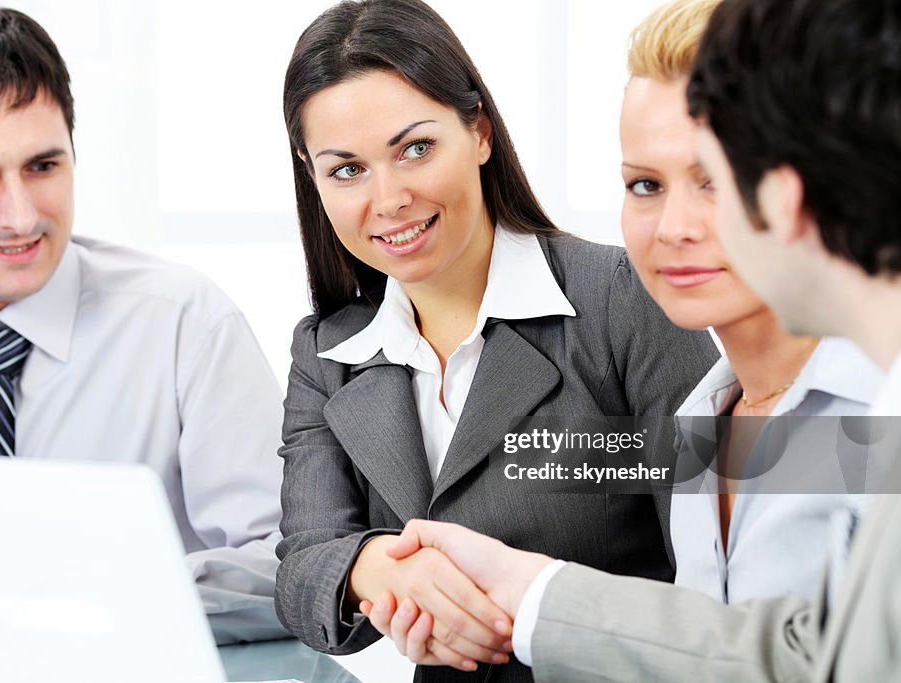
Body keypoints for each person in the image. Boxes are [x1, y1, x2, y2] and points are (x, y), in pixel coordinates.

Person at [370, 0, 901, 680]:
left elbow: (802, 660)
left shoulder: (870, 411)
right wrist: (486, 601)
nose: (674, 226)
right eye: (644, 185)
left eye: (714, 180)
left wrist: (532, 596)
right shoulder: (702, 417)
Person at [274, 0, 718, 680]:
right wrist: (375, 566)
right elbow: (303, 568)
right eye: (347, 169)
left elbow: (715, 568)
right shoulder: (329, 352)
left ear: (479, 132)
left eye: (414, 148)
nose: (388, 198)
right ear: (314, 179)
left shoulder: (624, 298)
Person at [0, 4, 286, 654]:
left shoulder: (185, 325)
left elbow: (293, 565)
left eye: (43, 166)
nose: (19, 216)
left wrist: (59, 596)